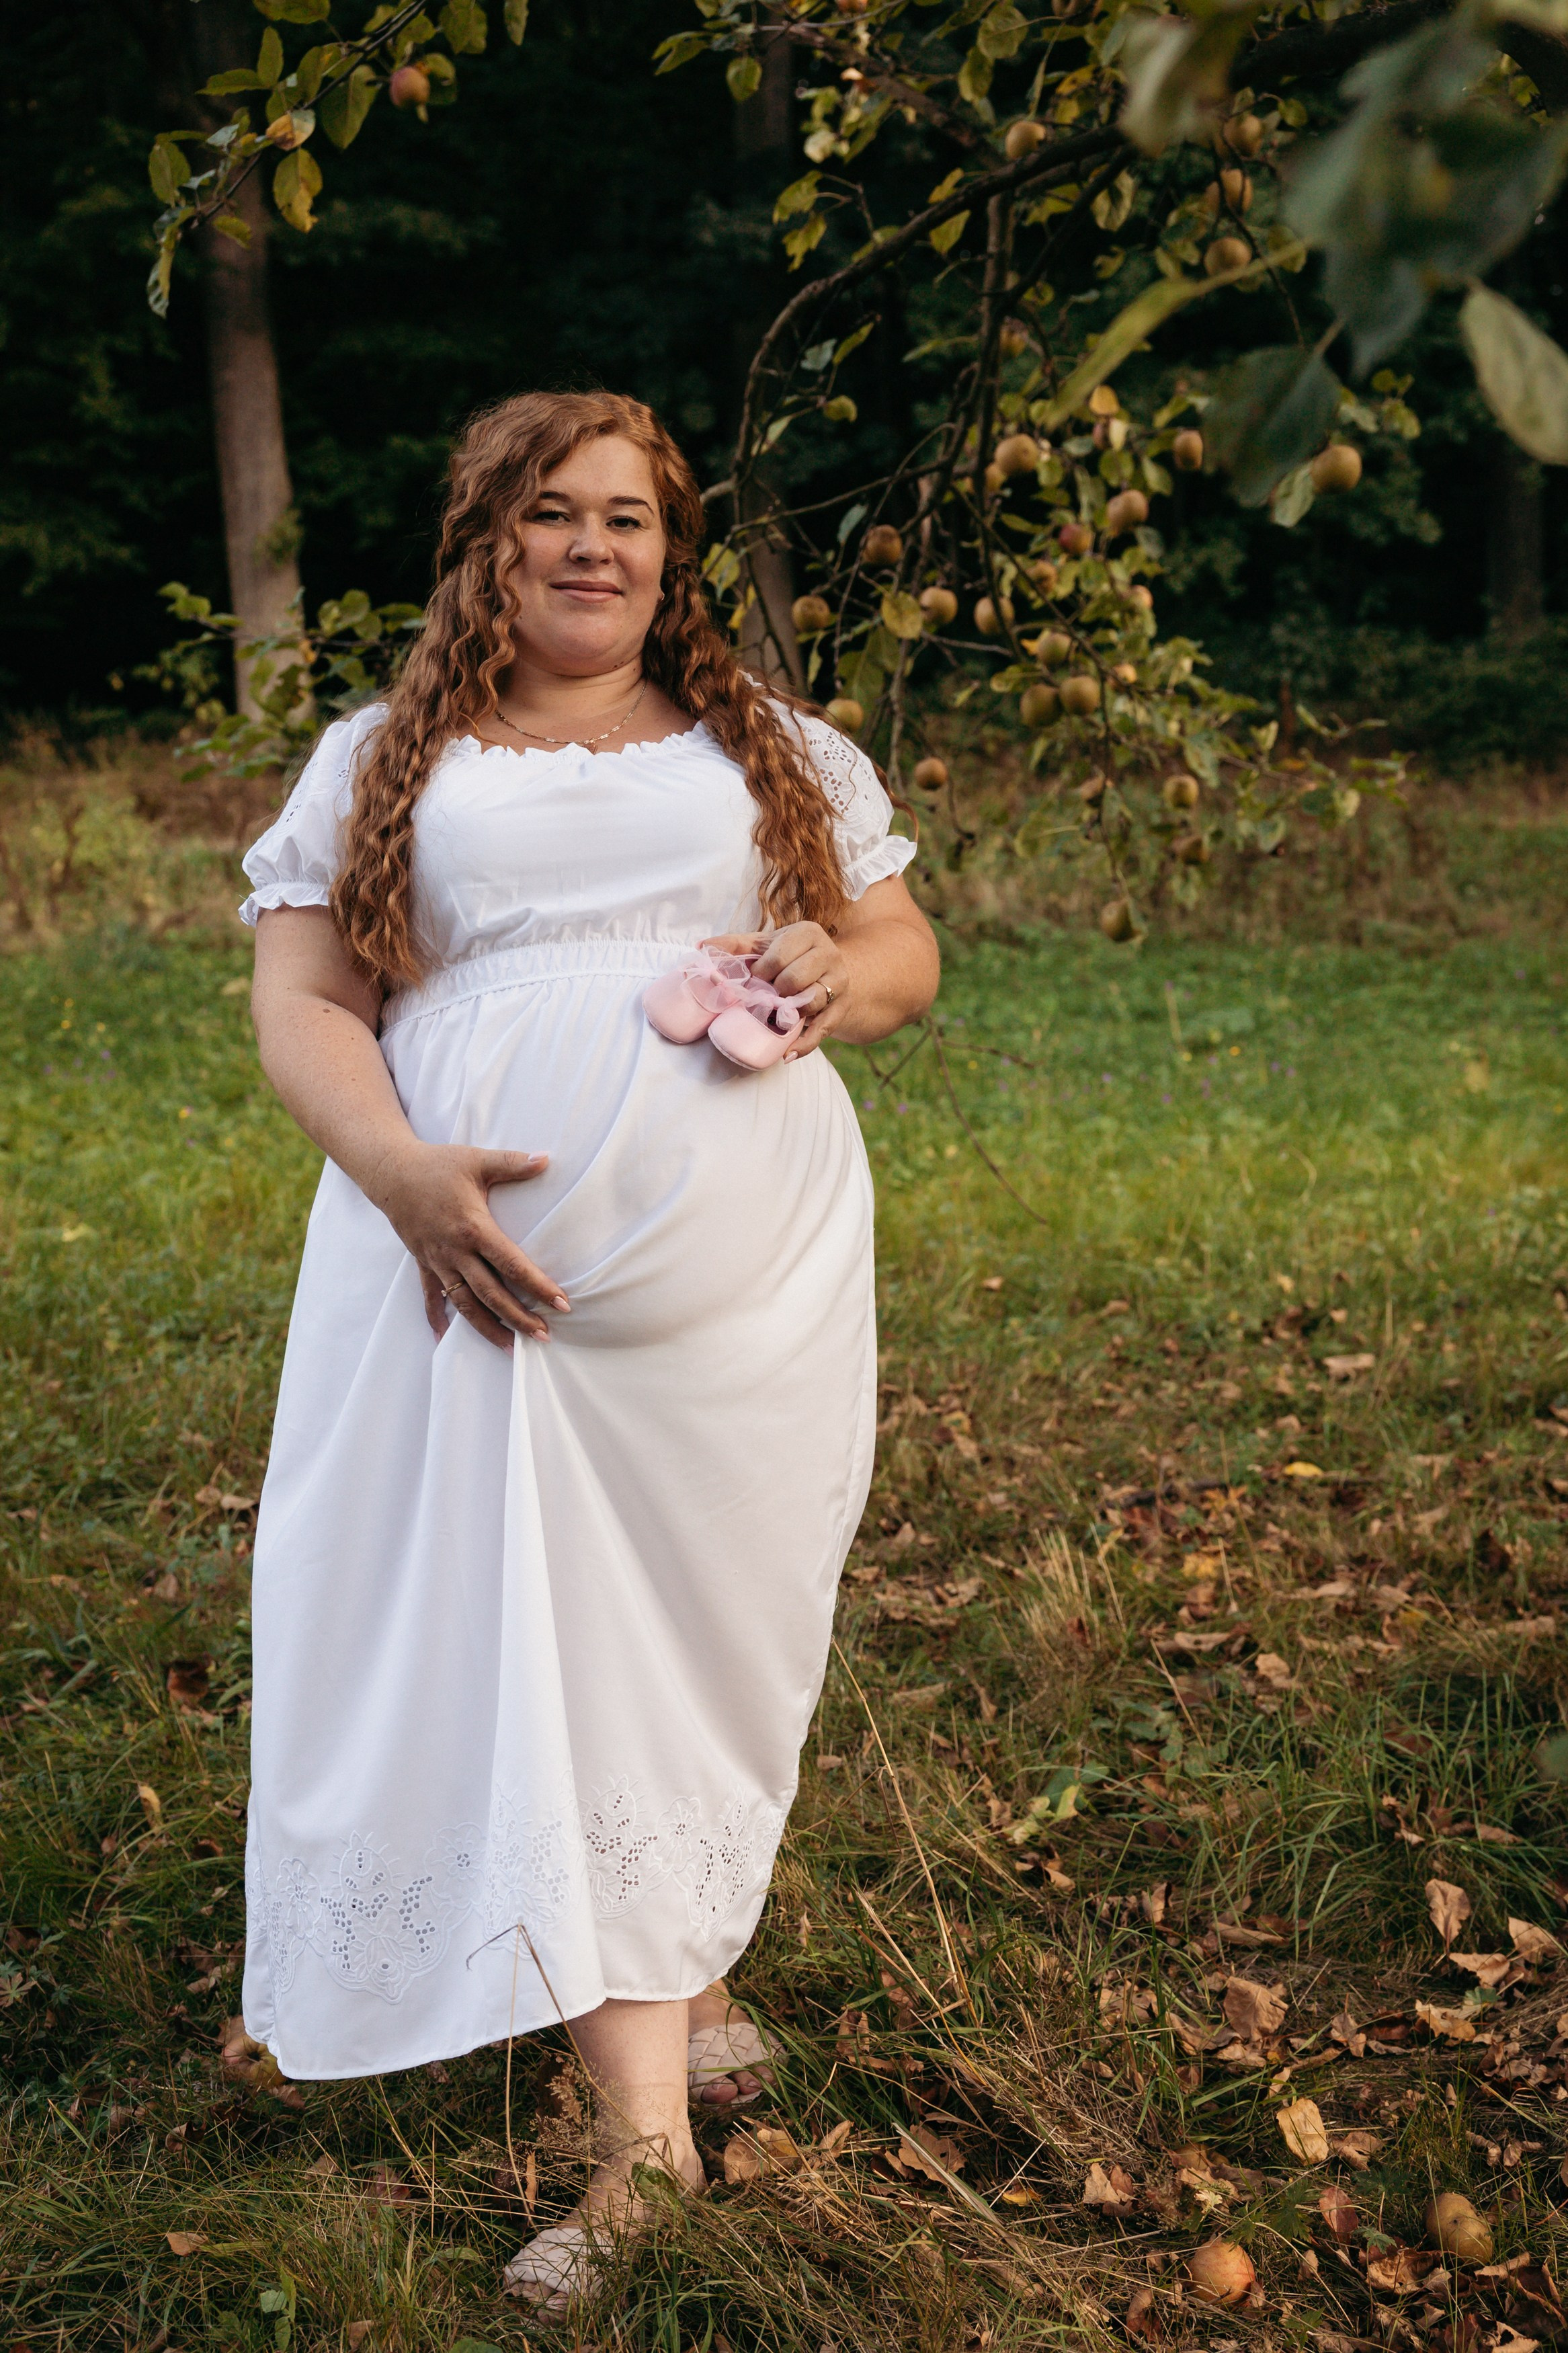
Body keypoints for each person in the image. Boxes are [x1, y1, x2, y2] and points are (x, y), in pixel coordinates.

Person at [238, 389, 939, 2309]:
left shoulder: (768, 748)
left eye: (630, 516)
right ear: (485, 540)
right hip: (479, 1284)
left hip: (740, 1294)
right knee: (540, 1641)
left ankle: (679, 1962)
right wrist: (400, 1171)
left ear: (671, 547)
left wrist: (829, 966)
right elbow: (302, 998)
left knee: (702, 1639)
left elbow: (902, 955)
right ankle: (646, 2150)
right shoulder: (392, 758)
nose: (594, 547)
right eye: (553, 513)